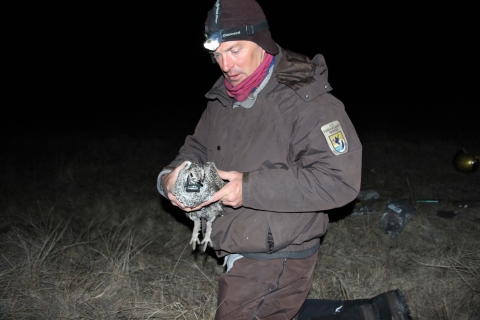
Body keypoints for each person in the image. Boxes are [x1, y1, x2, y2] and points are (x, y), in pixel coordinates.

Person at [157, 0, 412, 319]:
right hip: (237, 238)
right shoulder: (225, 96)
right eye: (217, 54)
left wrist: (247, 189)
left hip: (277, 251)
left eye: (234, 50)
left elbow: (340, 181)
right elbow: (197, 147)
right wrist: (169, 178)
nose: (225, 64)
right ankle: (365, 314)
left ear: (261, 42)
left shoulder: (305, 98)